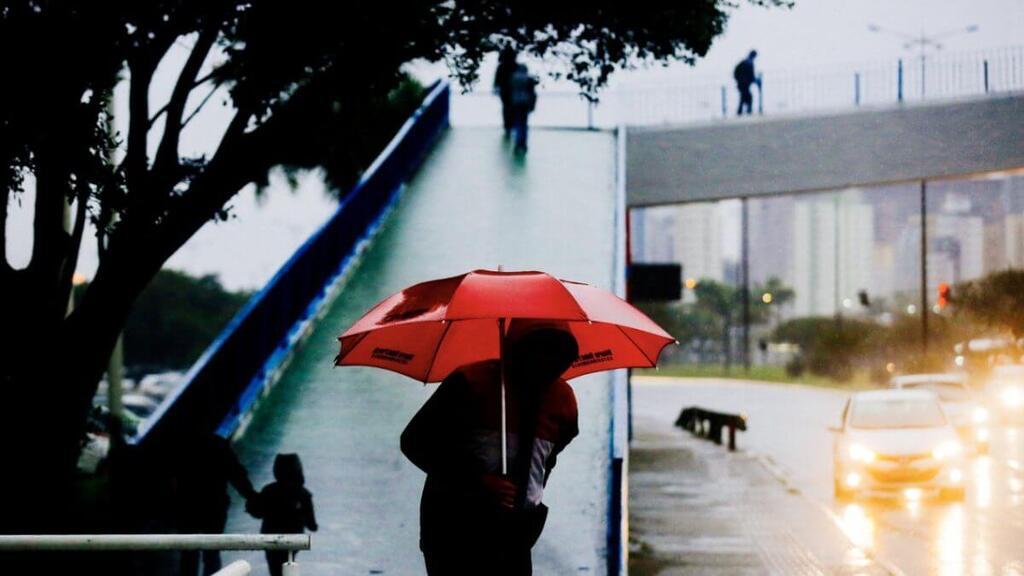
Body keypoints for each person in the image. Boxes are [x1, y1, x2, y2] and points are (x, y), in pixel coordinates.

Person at [401, 323, 580, 576]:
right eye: (537, 350)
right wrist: (478, 481)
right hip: (454, 527)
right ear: (517, 350)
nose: (543, 361)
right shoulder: (470, 382)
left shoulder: (562, 399)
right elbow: (415, 441)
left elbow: (550, 456)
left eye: (555, 353)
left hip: (515, 531)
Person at [175, 433, 257, 576]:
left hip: (187, 507)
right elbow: (236, 474)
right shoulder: (219, 444)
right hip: (214, 507)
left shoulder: (180, 444)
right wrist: (251, 496)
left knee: (188, 554)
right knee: (212, 553)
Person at [247, 453, 318, 576]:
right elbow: (312, 526)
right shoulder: (303, 494)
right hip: (293, 542)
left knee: (274, 569)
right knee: (287, 566)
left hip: (270, 540)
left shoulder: (268, 490)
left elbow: (257, 513)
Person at [506, 63, 538, 153]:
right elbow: (533, 94)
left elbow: (508, 93)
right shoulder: (529, 80)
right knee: (524, 124)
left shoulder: (512, 79)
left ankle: (517, 143)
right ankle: (523, 144)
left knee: (517, 123)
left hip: (515, 103)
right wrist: (532, 105)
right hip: (525, 103)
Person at [494, 47, 519, 136]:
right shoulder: (515, 66)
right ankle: (511, 124)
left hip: (504, 90)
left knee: (506, 107)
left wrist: (496, 88)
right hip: (513, 90)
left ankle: (507, 125)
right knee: (512, 108)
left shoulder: (501, 66)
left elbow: (497, 79)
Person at [733, 50, 758, 116]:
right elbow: (751, 75)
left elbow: (751, 75)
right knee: (747, 97)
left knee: (744, 97)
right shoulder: (747, 63)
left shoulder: (746, 63)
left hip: (743, 84)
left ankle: (742, 111)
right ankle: (745, 111)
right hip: (743, 84)